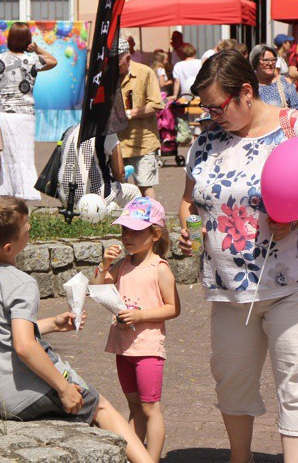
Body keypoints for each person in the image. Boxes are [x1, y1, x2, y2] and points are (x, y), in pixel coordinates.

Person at [178, 50, 298, 463]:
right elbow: (188, 200)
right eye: (206, 107)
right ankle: (241, 458)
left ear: (247, 93)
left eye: (218, 106)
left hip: (297, 281)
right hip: (229, 288)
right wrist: (186, 229)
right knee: (231, 379)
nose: (211, 114)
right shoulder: (206, 141)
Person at [0, 196, 153, 463]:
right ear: (8, 247)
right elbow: (24, 346)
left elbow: (2, 331)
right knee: (101, 407)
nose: (30, 229)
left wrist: (51, 324)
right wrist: (63, 388)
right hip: (27, 392)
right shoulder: (21, 284)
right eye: (26, 227)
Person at [90, 197, 180, 462]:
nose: (127, 236)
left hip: (148, 347)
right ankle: (135, 456)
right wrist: (104, 265)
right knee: (133, 406)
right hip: (123, 346)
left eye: (135, 231)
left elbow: (173, 308)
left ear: (155, 234)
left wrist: (141, 315)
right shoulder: (122, 265)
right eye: (124, 230)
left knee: (150, 407)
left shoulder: (160, 269)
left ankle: (151, 459)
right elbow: (97, 289)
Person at [0, 22, 57, 201]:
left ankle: (3, 191)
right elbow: (54, 61)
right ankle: (26, 192)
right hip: (25, 114)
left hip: (2, 114)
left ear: (9, 39)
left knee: (3, 154)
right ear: (28, 41)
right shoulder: (33, 60)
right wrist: (38, 49)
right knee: (24, 154)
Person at [117, 38, 164, 199]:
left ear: (127, 58)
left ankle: (153, 222)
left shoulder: (145, 73)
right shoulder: (108, 75)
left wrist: (129, 114)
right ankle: (124, 222)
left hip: (142, 142)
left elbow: (156, 105)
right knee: (118, 187)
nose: (115, 68)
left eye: (118, 63)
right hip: (117, 143)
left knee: (145, 186)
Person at [56, 123, 141, 211]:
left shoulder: (69, 130)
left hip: (66, 197)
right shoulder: (108, 133)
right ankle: (125, 220)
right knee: (135, 192)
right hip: (96, 197)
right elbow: (120, 174)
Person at [251, 45, 298, 110]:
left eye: (273, 60)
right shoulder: (249, 84)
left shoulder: (285, 83)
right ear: (255, 62)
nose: (270, 63)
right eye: (266, 60)